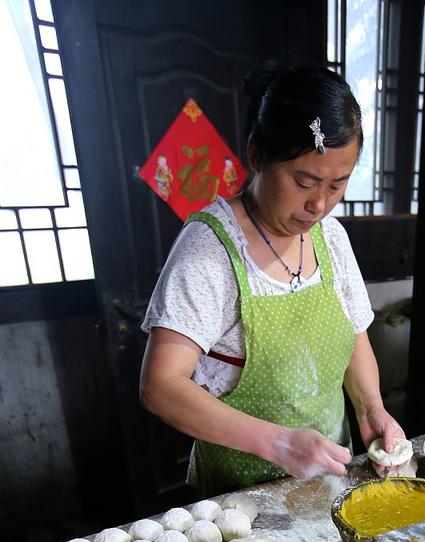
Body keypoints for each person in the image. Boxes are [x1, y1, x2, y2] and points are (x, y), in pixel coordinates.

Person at [140, 63, 405, 496]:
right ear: (257, 155)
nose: (319, 204)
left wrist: (372, 408)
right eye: (304, 181)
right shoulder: (211, 250)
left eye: (338, 185)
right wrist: (279, 443)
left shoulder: (331, 238)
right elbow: (160, 387)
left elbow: (356, 339)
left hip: (325, 485)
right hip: (238, 498)